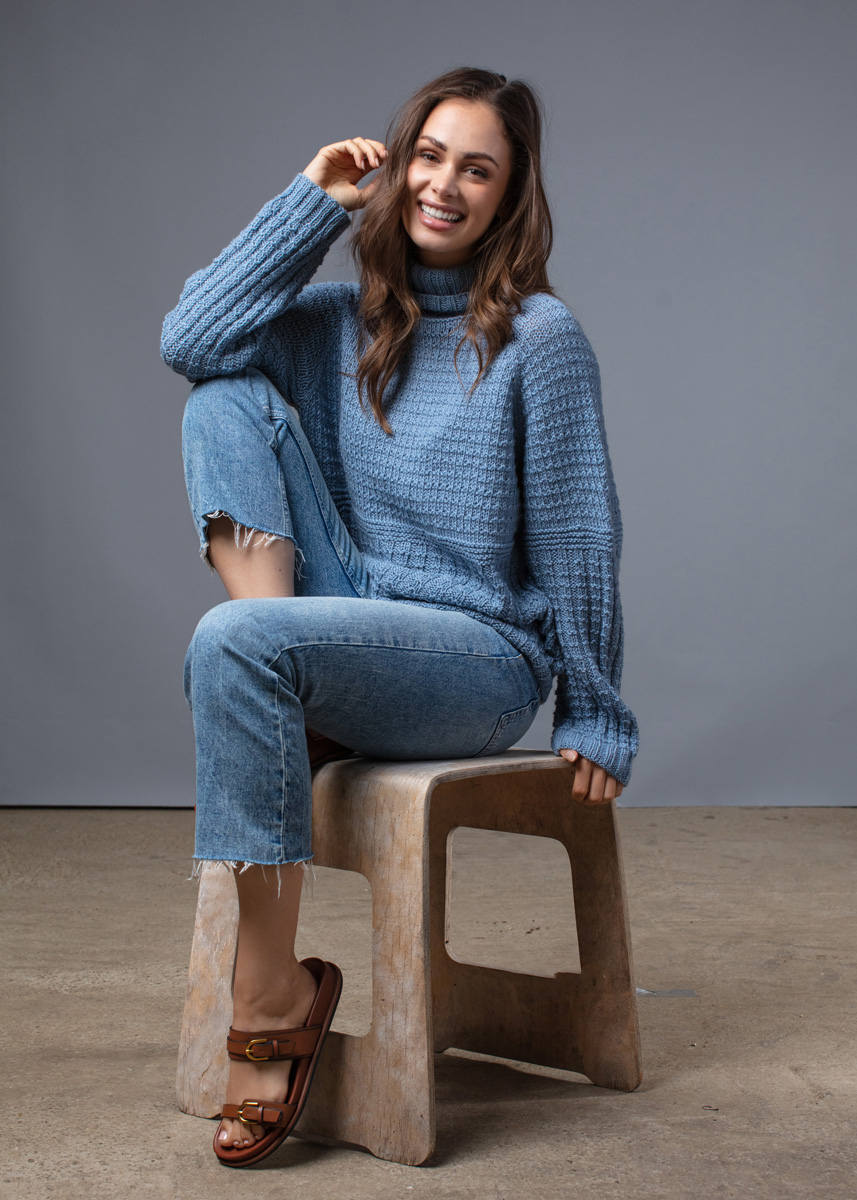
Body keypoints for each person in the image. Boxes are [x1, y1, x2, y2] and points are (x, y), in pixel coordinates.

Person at [161, 65, 638, 1169]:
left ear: (508, 195)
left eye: (476, 169)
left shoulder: (538, 338)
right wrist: (308, 201)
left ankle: (268, 993)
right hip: (348, 613)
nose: (442, 184)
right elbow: (192, 336)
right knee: (223, 395)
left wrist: (595, 706)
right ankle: (290, 682)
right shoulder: (343, 321)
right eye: (427, 156)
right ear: (397, 165)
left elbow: (578, 530)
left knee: (233, 645)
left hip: (477, 659)